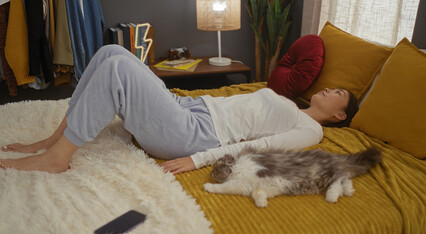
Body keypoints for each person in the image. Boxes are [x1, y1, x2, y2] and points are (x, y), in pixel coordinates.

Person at [0, 45, 359, 174]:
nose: (329, 88)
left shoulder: (313, 130)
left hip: (194, 135)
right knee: (111, 52)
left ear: (340, 114)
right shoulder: (287, 100)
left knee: (116, 70)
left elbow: (261, 148)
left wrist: (198, 160)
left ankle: (58, 158)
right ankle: (55, 137)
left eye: (338, 92)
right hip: (190, 108)